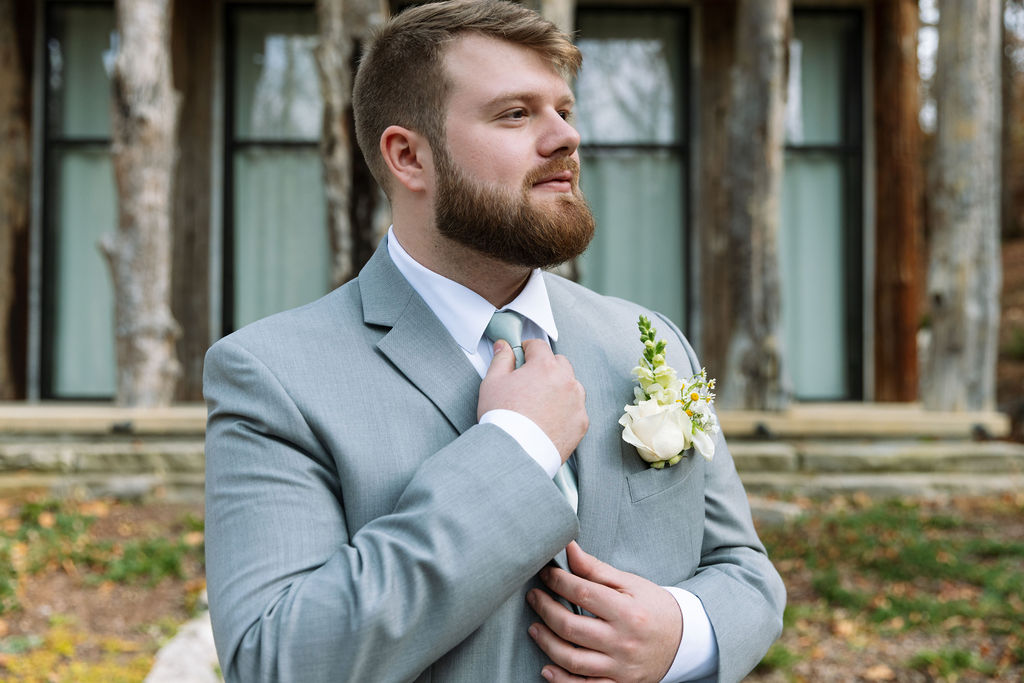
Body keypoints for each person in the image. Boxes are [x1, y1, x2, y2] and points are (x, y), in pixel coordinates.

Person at [202, 1, 785, 681]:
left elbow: (746, 573)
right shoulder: (274, 377)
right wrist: (517, 446)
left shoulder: (647, 339)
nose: (565, 137)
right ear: (408, 157)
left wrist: (683, 632)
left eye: (564, 109)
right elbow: (279, 660)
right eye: (516, 113)